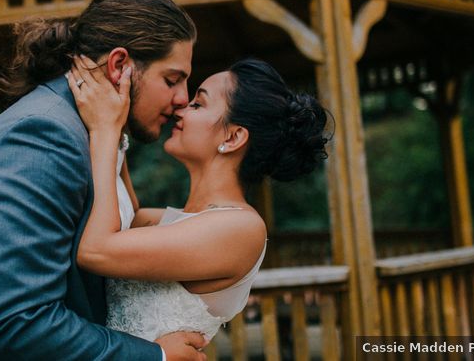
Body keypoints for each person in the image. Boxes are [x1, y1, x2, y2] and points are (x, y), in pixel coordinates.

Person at [0, 0, 208, 360]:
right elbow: (11, 322)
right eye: (172, 79)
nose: (183, 99)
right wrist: (153, 357)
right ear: (119, 65)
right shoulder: (43, 137)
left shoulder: (99, 134)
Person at [66, 55, 331, 341]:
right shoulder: (176, 220)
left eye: (198, 104)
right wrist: (118, 123)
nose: (181, 108)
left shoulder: (240, 229)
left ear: (232, 138)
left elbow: (95, 250)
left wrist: (105, 129)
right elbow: (128, 212)